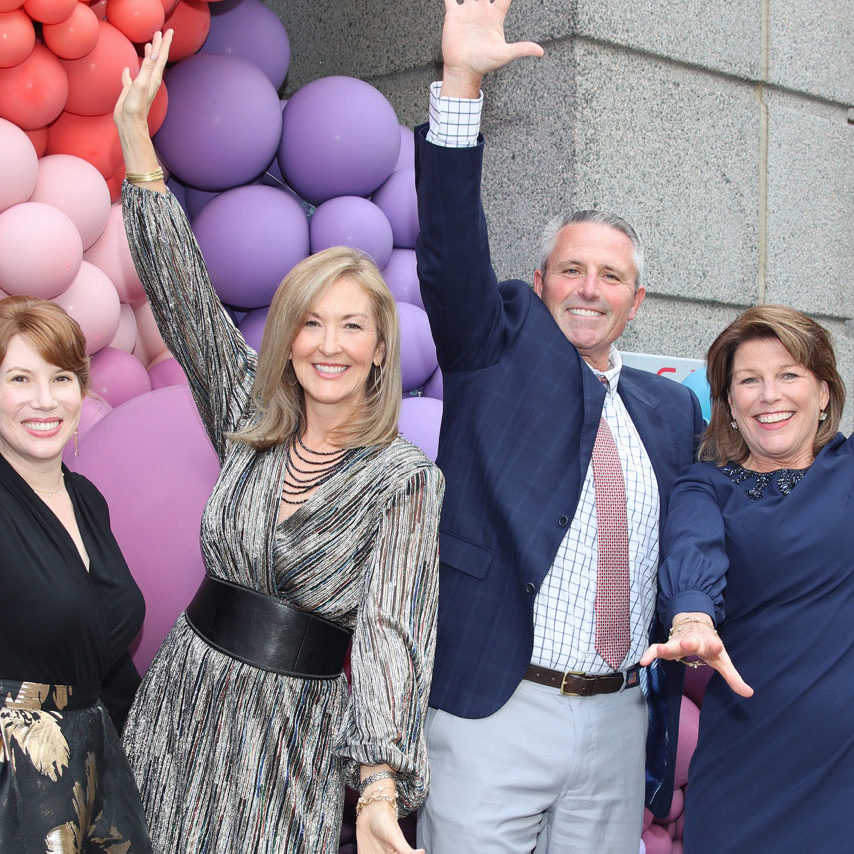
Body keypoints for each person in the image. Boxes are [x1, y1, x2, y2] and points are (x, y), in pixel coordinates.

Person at [113, 31, 444, 854]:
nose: (327, 345)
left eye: (352, 327)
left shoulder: (402, 479)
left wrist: (378, 787)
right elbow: (184, 296)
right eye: (309, 323)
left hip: (287, 740)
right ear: (287, 338)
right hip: (181, 702)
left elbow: (393, 635)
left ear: (379, 349)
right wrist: (135, 146)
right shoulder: (249, 419)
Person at [414, 1, 704, 851]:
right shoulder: (492, 351)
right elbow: (450, 250)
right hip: (495, 708)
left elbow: (697, 529)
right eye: (570, 269)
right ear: (538, 282)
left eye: (609, 276)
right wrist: (461, 82)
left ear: (636, 300)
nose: (588, 287)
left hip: (617, 722)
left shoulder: (670, 410)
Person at [641, 304, 850, 852]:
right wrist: (691, 617)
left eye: (789, 375)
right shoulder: (704, 486)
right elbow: (692, 549)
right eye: (749, 380)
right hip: (745, 760)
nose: (769, 394)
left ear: (824, 392)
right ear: (729, 403)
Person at [0, 296, 152, 852]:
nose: (44, 400)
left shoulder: (86, 498)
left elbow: (102, 656)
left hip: (96, 776)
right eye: (19, 378)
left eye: (60, 378)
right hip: (15, 789)